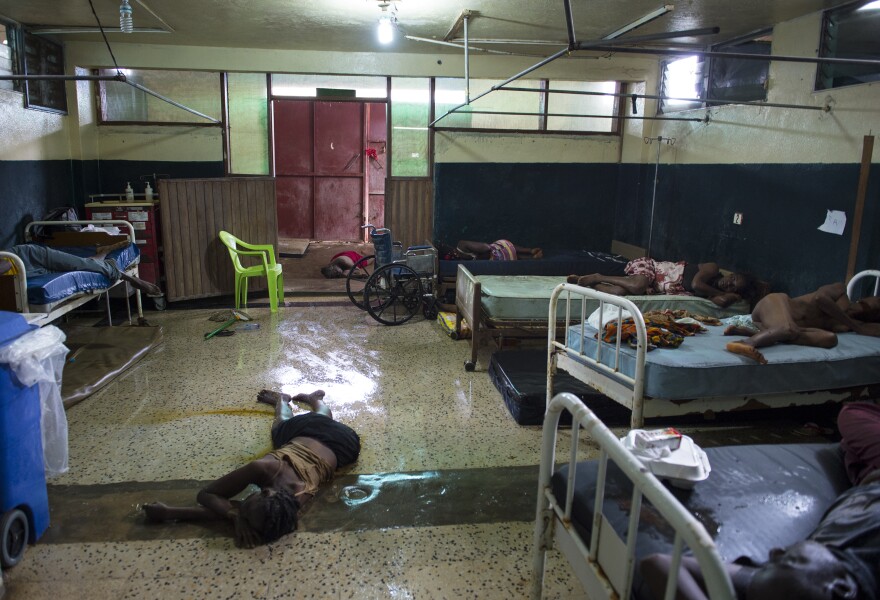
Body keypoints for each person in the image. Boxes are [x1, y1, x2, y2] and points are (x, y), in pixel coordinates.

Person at [641, 400, 880, 600]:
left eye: (784, 561)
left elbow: (660, 564)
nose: (775, 552)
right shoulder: (818, 581)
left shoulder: (796, 583)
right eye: (786, 560)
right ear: (842, 588)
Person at [142, 389, 360, 548]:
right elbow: (206, 496)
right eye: (244, 507)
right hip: (343, 444)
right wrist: (234, 515)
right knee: (291, 422)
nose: (239, 507)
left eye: (242, 510)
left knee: (305, 419)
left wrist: (172, 513)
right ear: (265, 492)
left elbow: (210, 497)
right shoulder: (267, 469)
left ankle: (306, 400)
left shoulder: (288, 503)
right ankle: (294, 400)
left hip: (340, 445)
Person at [724, 282, 880, 364]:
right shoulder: (840, 292)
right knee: (788, 328)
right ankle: (746, 342)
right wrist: (856, 327)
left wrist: (861, 325)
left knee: (830, 339)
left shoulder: (848, 325)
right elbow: (820, 298)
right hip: (772, 305)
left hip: (776, 326)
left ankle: (752, 332)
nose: (875, 307)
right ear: (864, 298)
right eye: (877, 301)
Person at [567, 257, 754, 308]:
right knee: (637, 286)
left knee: (619, 294)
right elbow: (696, 285)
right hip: (652, 269)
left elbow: (721, 302)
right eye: (732, 279)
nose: (728, 284)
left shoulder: (712, 292)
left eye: (733, 287)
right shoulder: (712, 269)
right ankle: (598, 277)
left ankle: (589, 283)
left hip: (653, 287)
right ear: (731, 274)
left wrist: (733, 297)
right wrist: (724, 293)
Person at [0, 243, 161, 296]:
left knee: (79, 264)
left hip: (28, 257)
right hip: (28, 274)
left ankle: (128, 277)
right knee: (84, 264)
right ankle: (103, 254)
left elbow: (6, 264)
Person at [454, 239, 543, 261]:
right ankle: (530, 251)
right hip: (497, 254)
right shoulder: (461, 244)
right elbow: (486, 248)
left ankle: (533, 257)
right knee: (502, 245)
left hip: (501, 259)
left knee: (511, 253)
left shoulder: (462, 257)